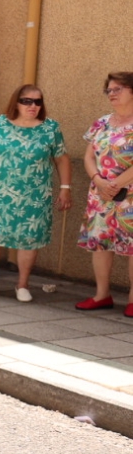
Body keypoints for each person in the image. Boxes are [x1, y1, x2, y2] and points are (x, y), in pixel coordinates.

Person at [0, 86, 71, 302]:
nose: (33, 106)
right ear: (16, 102)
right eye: (27, 101)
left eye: (37, 101)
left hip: (35, 195)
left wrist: (65, 188)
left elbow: (61, 159)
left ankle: (23, 285)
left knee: (29, 238)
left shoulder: (50, 128)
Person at [76, 71, 133, 314]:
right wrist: (99, 181)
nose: (112, 93)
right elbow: (89, 156)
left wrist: (116, 183)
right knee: (99, 242)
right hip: (101, 194)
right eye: (109, 90)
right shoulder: (101, 122)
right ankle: (102, 295)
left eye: (118, 89)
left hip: (129, 194)